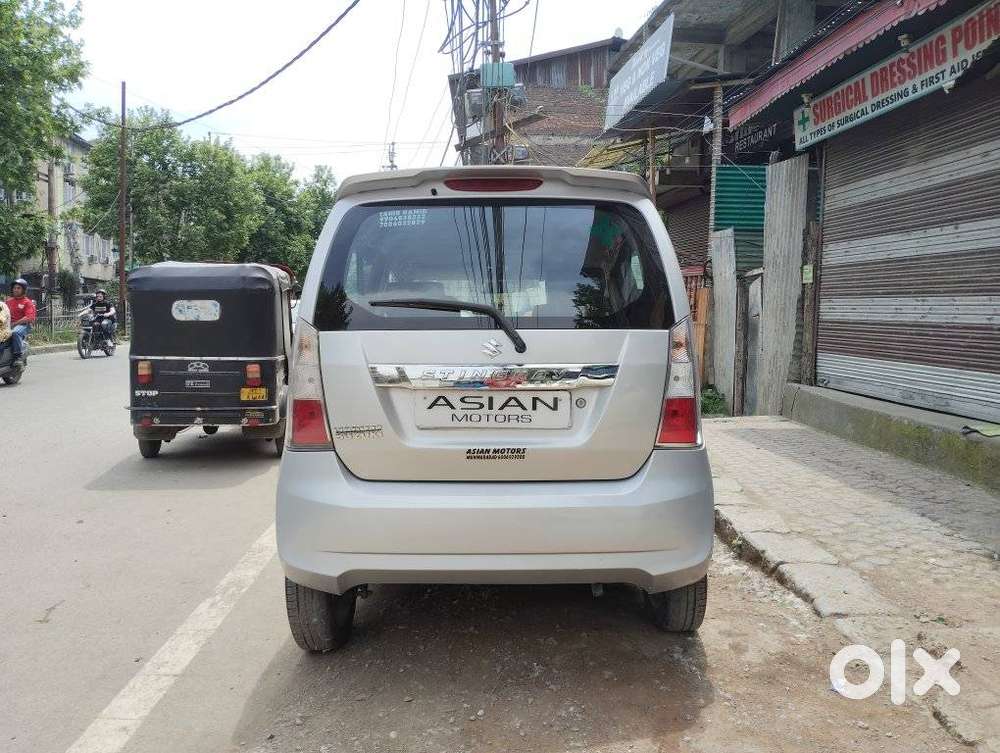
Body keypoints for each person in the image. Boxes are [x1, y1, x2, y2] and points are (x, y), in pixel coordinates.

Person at [5, 278, 36, 367]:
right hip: (9, 324)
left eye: (18, 288)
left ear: (23, 290)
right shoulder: (8, 301)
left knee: (15, 333)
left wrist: (15, 323)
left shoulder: (27, 302)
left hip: (24, 325)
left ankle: (18, 356)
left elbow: (29, 317)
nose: (16, 290)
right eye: (14, 288)